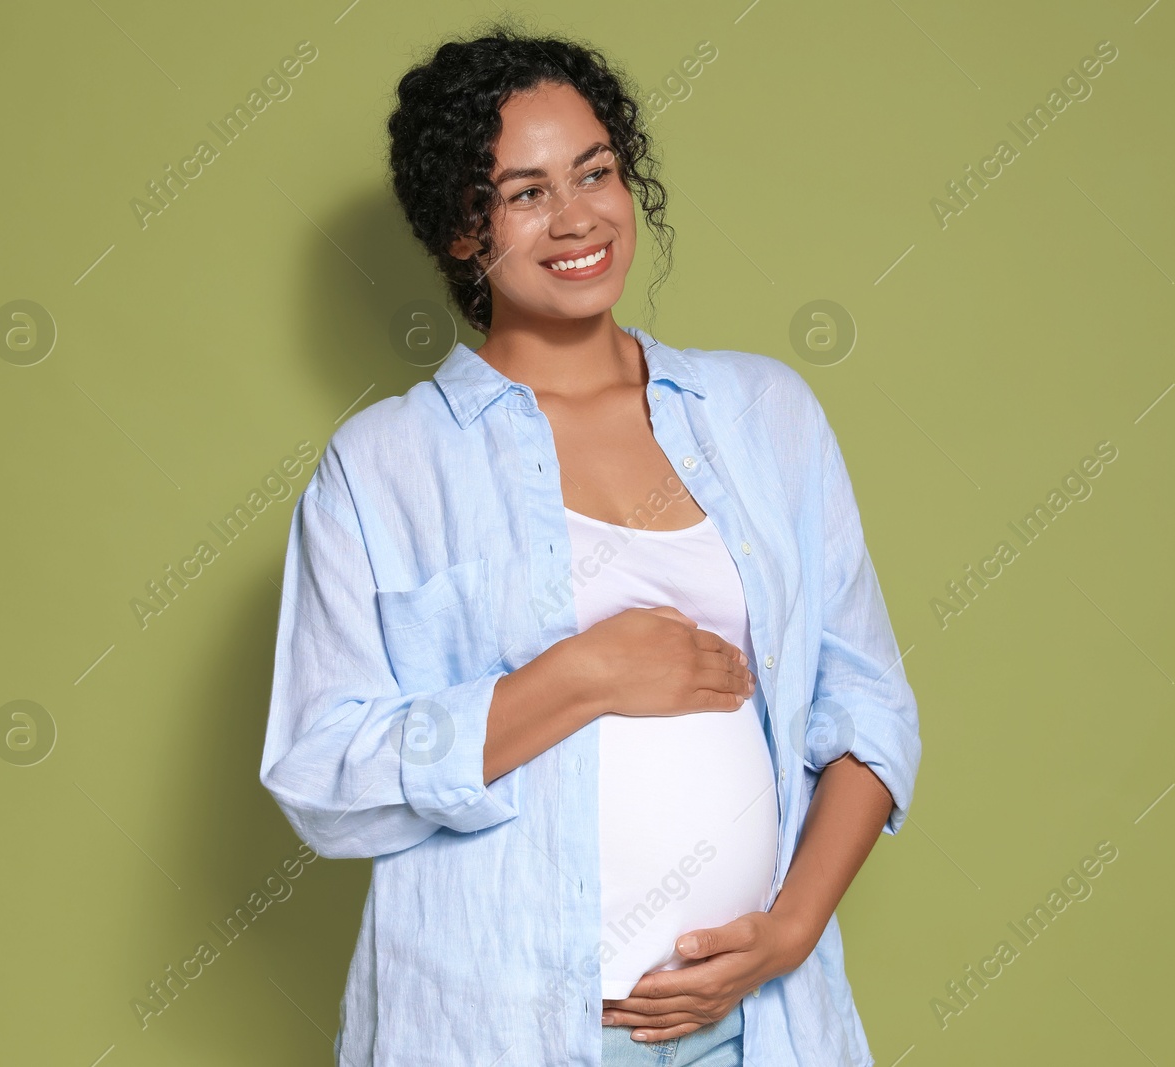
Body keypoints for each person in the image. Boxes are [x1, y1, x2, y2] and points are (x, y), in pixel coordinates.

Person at [259, 22, 922, 1067]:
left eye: (594, 172)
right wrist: (581, 674)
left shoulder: (763, 412)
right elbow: (322, 772)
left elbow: (866, 703)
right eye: (523, 193)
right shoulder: (384, 465)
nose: (576, 219)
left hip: (758, 1022)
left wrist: (789, 928)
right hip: (493, 1026)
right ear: (459, 232)